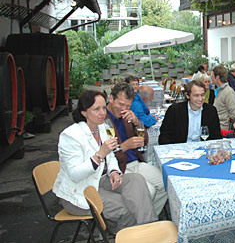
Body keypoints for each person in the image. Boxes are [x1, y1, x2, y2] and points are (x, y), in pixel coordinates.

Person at [53, 90, 157, 232]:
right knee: (127, 208)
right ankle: (134, 235)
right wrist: (99, 155)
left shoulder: (101, 127)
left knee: (136, 180)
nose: (102, 113)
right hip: (80, 190)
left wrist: (114, 171)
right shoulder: (70, 135)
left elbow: (111, 156)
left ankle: (150, 231)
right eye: (96, 109)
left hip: (100, 180)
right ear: (84, 112)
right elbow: (74, 175)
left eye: (103, 108)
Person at [106, 83, 167, 216]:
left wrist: (137, 122)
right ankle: (138, 224)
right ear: (111, 99)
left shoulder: (127, 116)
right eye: (121, 104)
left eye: (128, 106)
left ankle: (148, 220)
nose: (124, 109)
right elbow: (103, 155)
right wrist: (125, 146)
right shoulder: (103, 119)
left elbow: (144, 140)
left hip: (135, 162)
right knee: (149, 191)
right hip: (118, 168)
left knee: (166, 184)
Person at [159, 80, 222, 144]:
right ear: (187, 95)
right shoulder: (175, 110)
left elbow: (216, 137)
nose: (200, 99)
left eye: (202, 95)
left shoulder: (211, 111)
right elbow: (164, 136)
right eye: (196, 95)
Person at [212, 65, 235, 130]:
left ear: (217, 77)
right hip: (216, 127)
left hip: (223, 130)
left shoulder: (228, 92)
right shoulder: (218, 90)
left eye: (212, 76)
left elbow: (234, 114)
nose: (211, 78)